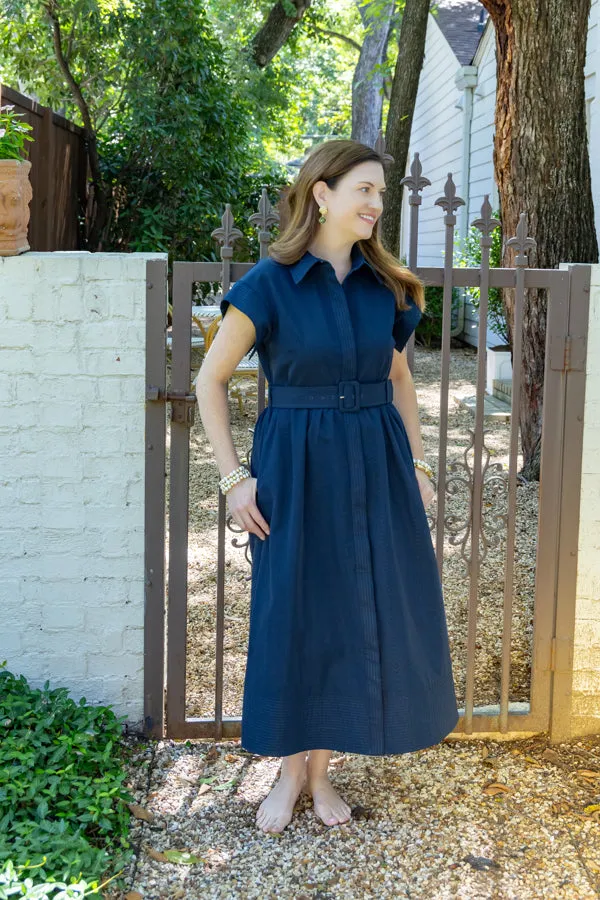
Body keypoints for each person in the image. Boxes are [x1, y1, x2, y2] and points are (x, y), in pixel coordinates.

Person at [196, 138, 460, 835]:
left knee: (361, 610)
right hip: (295, 468)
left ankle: (322, 773)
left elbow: (399, 378)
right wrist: (234, 480)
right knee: (298, 615)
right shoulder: (269, 285)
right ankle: (289, 771)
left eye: (381, 193)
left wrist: (419, 466)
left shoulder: (388, 289)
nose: (377, 204)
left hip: (376, 464)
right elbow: (209, 380)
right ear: (322, 194)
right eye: (365, 190)